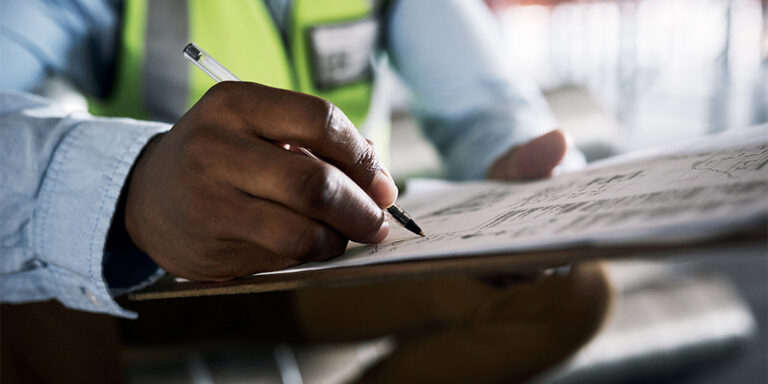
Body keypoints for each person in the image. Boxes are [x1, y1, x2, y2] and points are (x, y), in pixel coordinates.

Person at [0, 0, 609, 382]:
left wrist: (516, 160)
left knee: (564, 287)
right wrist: (133, 183)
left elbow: (486, 107)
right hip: (146, 282)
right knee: (23, 258)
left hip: (332, 262)